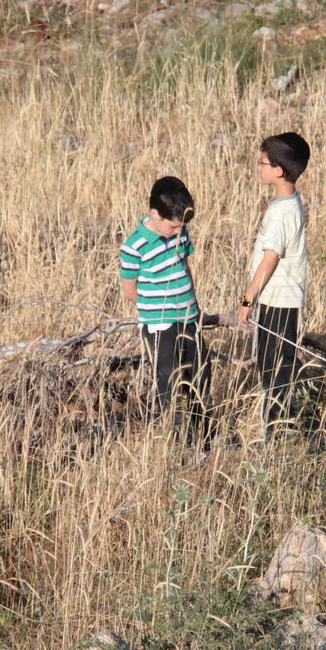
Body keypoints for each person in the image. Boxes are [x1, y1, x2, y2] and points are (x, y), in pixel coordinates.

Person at [119, 176, 209, 447]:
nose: (177, 231)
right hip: (159, 325)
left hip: (189, 318)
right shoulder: (134, 246)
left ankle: (202, 438)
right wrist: (157, 311)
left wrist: (192, 306)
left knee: (200, 375)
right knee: (168, 381)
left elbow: (185, 267)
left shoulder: (180, 232)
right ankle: (176, 442)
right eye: (173, 226)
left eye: (182, 226)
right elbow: (129, 289)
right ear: (154, 215)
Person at [237, 132, 310, 439]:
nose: (259, 167)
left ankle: (277, 434)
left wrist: (247, 299)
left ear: (279, 171)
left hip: (280, 300)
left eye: (262, 163)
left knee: (274, 369)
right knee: (272, 365)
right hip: (278, 299)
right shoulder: (287, 201)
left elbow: (270, 260)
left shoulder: (282, 212)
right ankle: (276, 429)